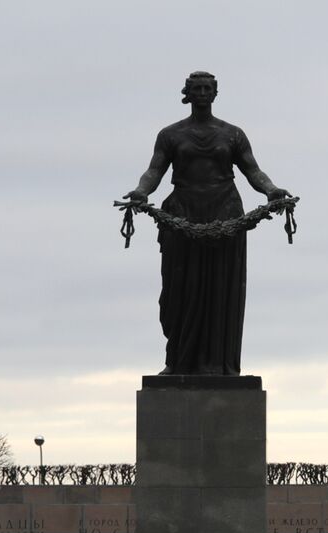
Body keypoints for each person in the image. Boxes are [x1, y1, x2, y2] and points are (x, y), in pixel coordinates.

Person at [124, 71, 292, 377]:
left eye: (207, 88)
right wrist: (140, 192)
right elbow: (154, 171)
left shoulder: (233, 134)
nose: (202, 93)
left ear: (215, 93)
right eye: (197, 88)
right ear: (187, 93)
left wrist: (271, 190)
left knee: (220, 288)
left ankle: (219, 365)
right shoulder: (170, 135)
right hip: (182, 213)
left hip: (224, 212)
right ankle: (178, 361)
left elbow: (253, 171)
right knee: (179, 289)